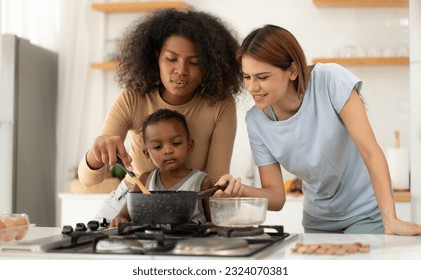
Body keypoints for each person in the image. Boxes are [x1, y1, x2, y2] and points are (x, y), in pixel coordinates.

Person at [215, 24, 421, 235]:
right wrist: (238, 190)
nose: (251, 88)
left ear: (292, 71)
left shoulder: (329, 79)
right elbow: (276, 198)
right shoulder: (256, 121)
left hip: (364, 211)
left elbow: (370, 151)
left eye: (263, 77)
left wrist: (391, 219)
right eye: (247, 77)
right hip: (318, 218)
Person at [77, 9, 242, 222]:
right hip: (130, 202)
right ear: (156, 57)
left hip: (190, 204)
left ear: (209, 65)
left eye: (194, 62)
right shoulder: (132, 99)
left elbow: (215, 183)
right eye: (171, 59)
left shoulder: (220, 104)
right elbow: (88, 180)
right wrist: (96, 153)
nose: (181, 70)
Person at [111, 109, 215, 227]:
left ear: (189, 146)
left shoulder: (202, 183)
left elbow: (214, 221)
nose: (168, 150)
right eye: (158, 146)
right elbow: (124, 215)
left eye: (176, 143)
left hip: (189, 244)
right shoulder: (144, 181)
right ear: (147, 154)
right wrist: (120, 219)